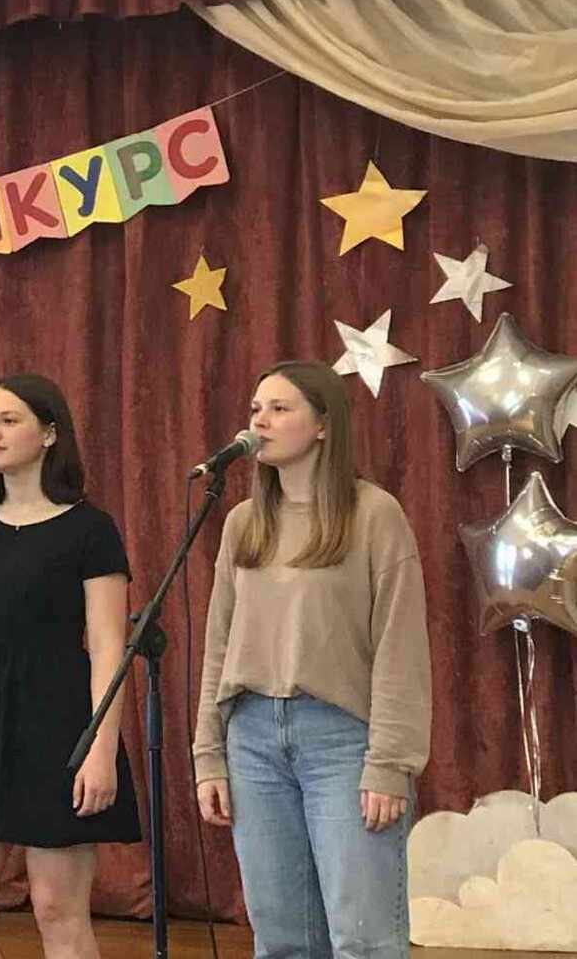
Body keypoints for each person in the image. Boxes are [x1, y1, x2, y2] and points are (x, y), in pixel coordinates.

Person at [193, 360, 431, 959]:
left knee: (364, 940)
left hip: (343, 741)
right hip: (252, 740)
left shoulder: (374, 514)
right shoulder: (243, 523)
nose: (260, 421)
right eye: (256, 409)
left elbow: (401, 646)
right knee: (280, 940)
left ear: (324, 424)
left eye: (280, 408)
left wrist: (390, 763)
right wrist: (208, 754)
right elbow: (219, 645)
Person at [0, 372, 141, 959]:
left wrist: (100, 749)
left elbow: (109, 648)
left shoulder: (90, 529)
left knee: (58, 912)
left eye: (8, 420)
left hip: (58, 722)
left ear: (49, 433)